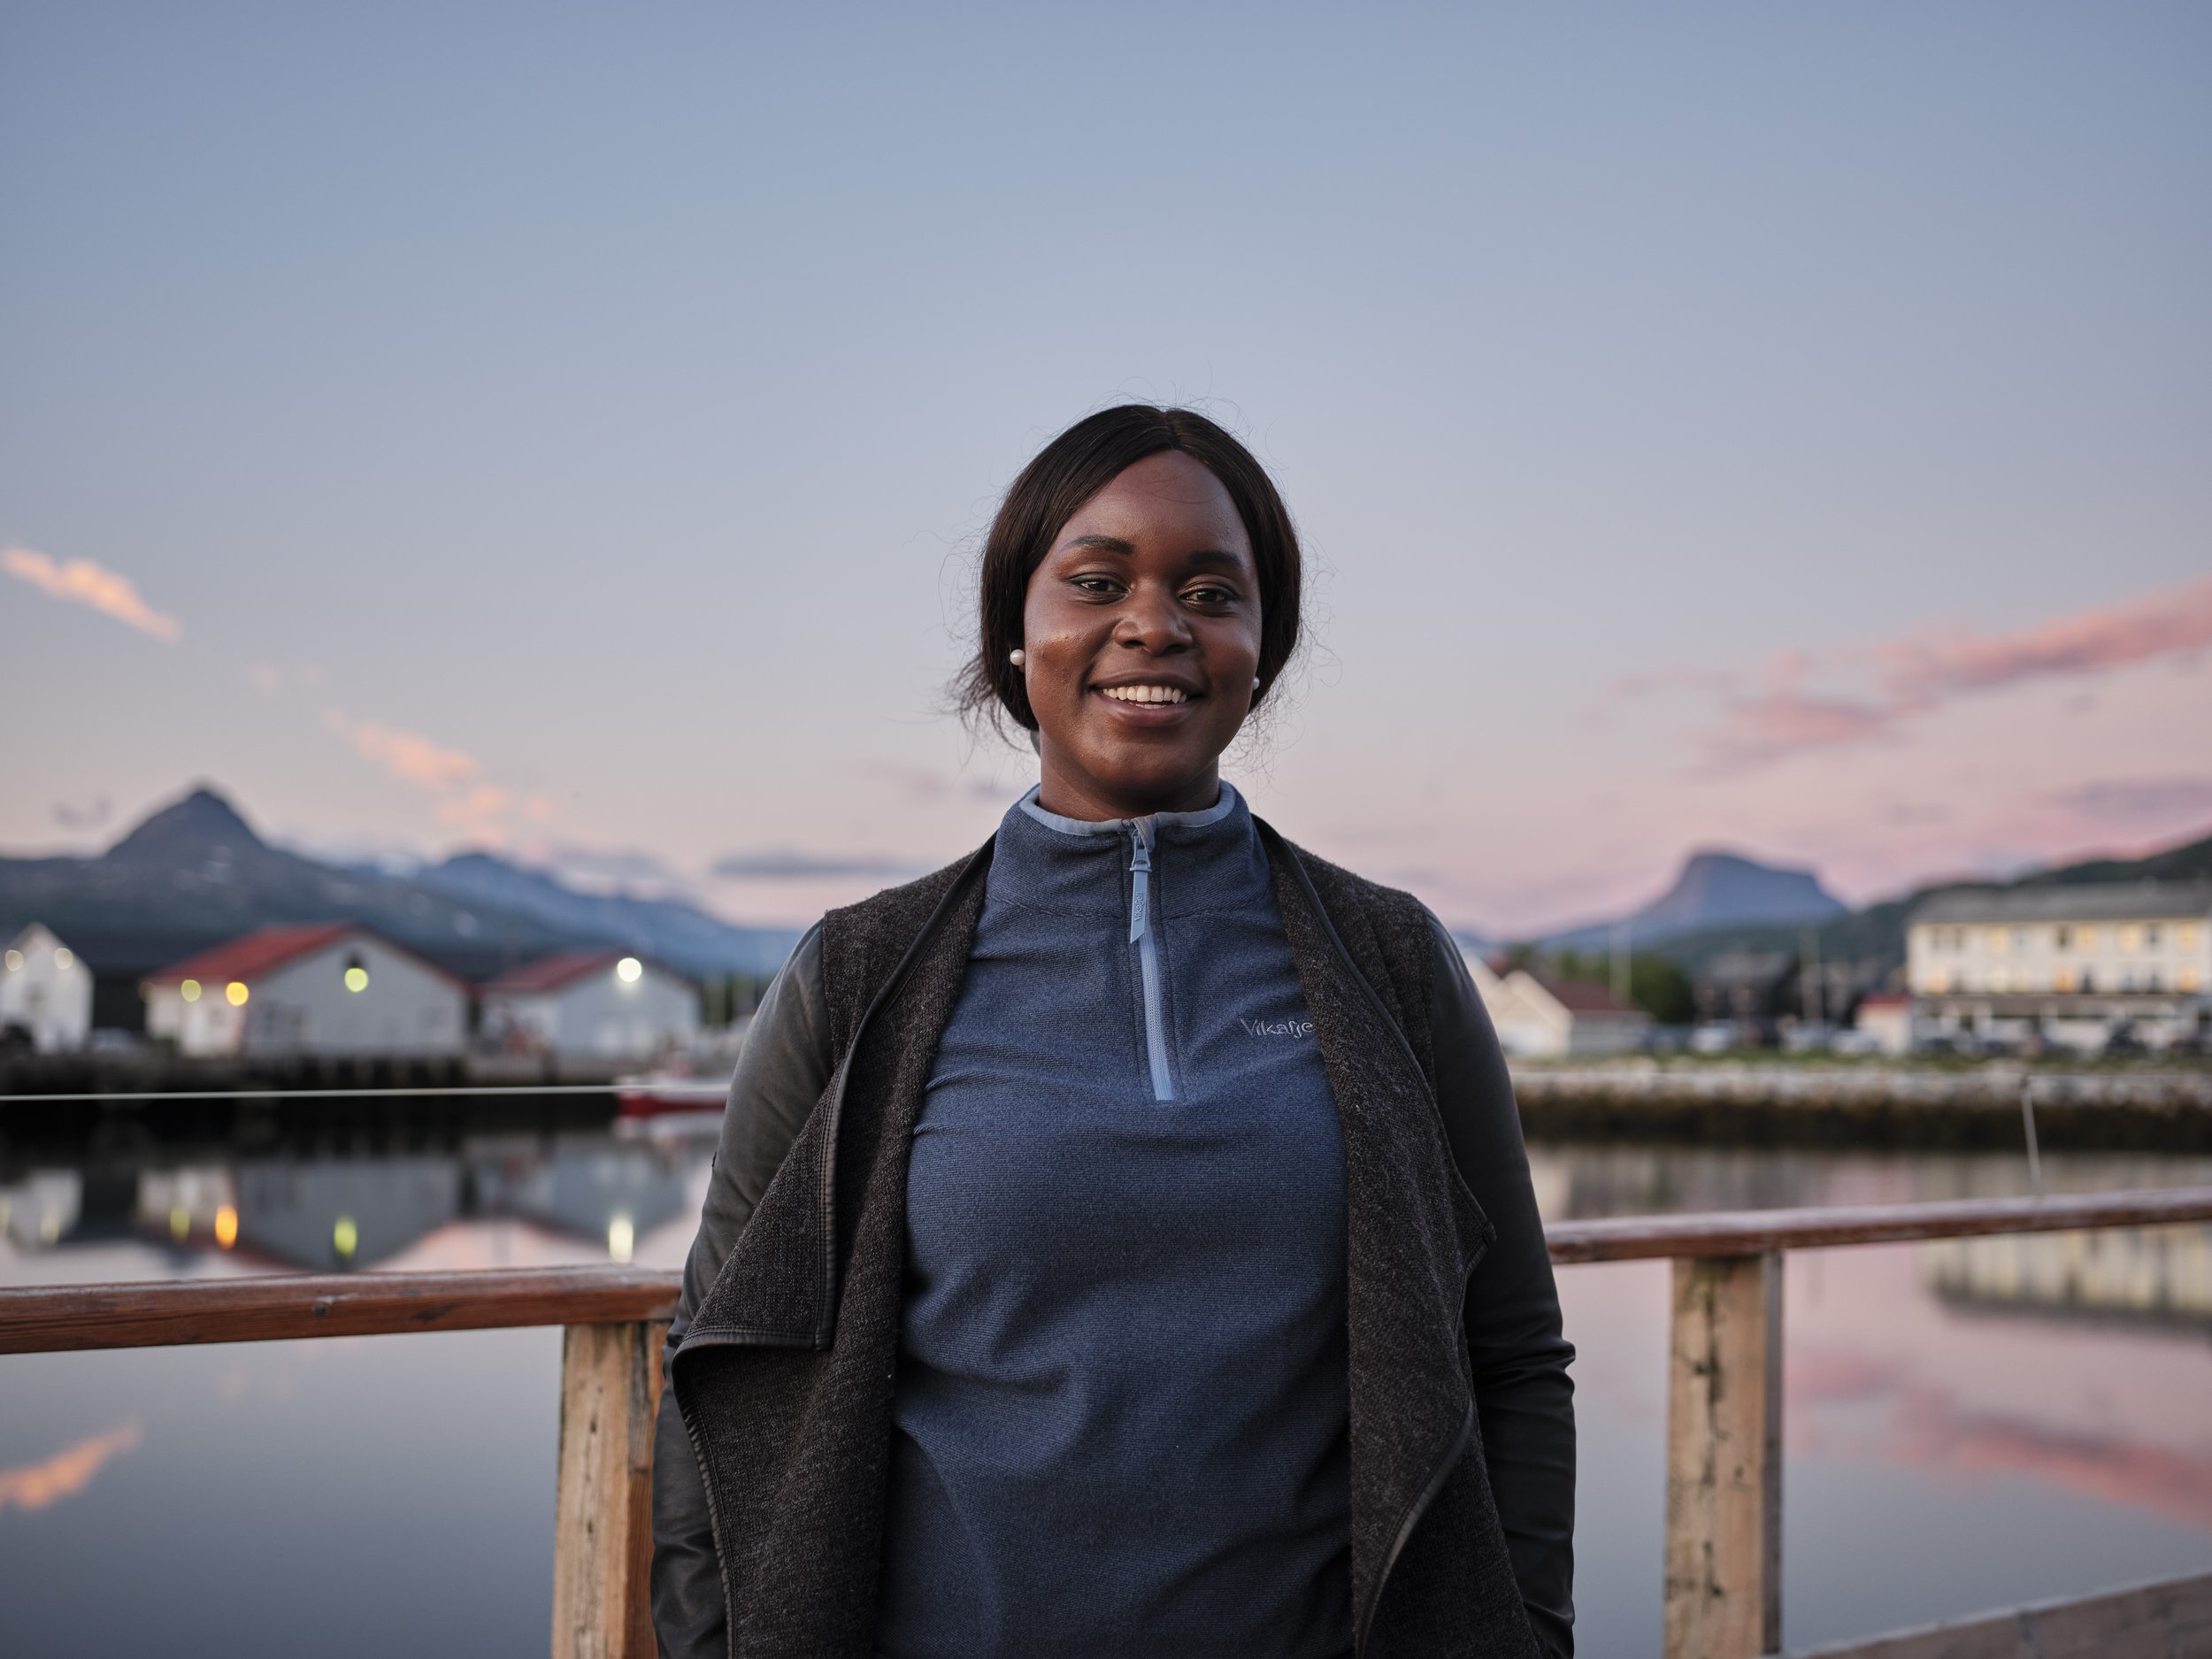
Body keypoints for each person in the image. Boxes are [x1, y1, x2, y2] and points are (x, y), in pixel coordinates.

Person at [650, 405, 1575, 1659]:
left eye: (1212, 590)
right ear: (1013, 637)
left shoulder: (1394, 967)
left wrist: (1527, 1636)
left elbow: (1512, 1357)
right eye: (1096, 582)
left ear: (1262, 648)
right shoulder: (859, 977)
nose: (1156, 623)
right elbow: (721, 1357)